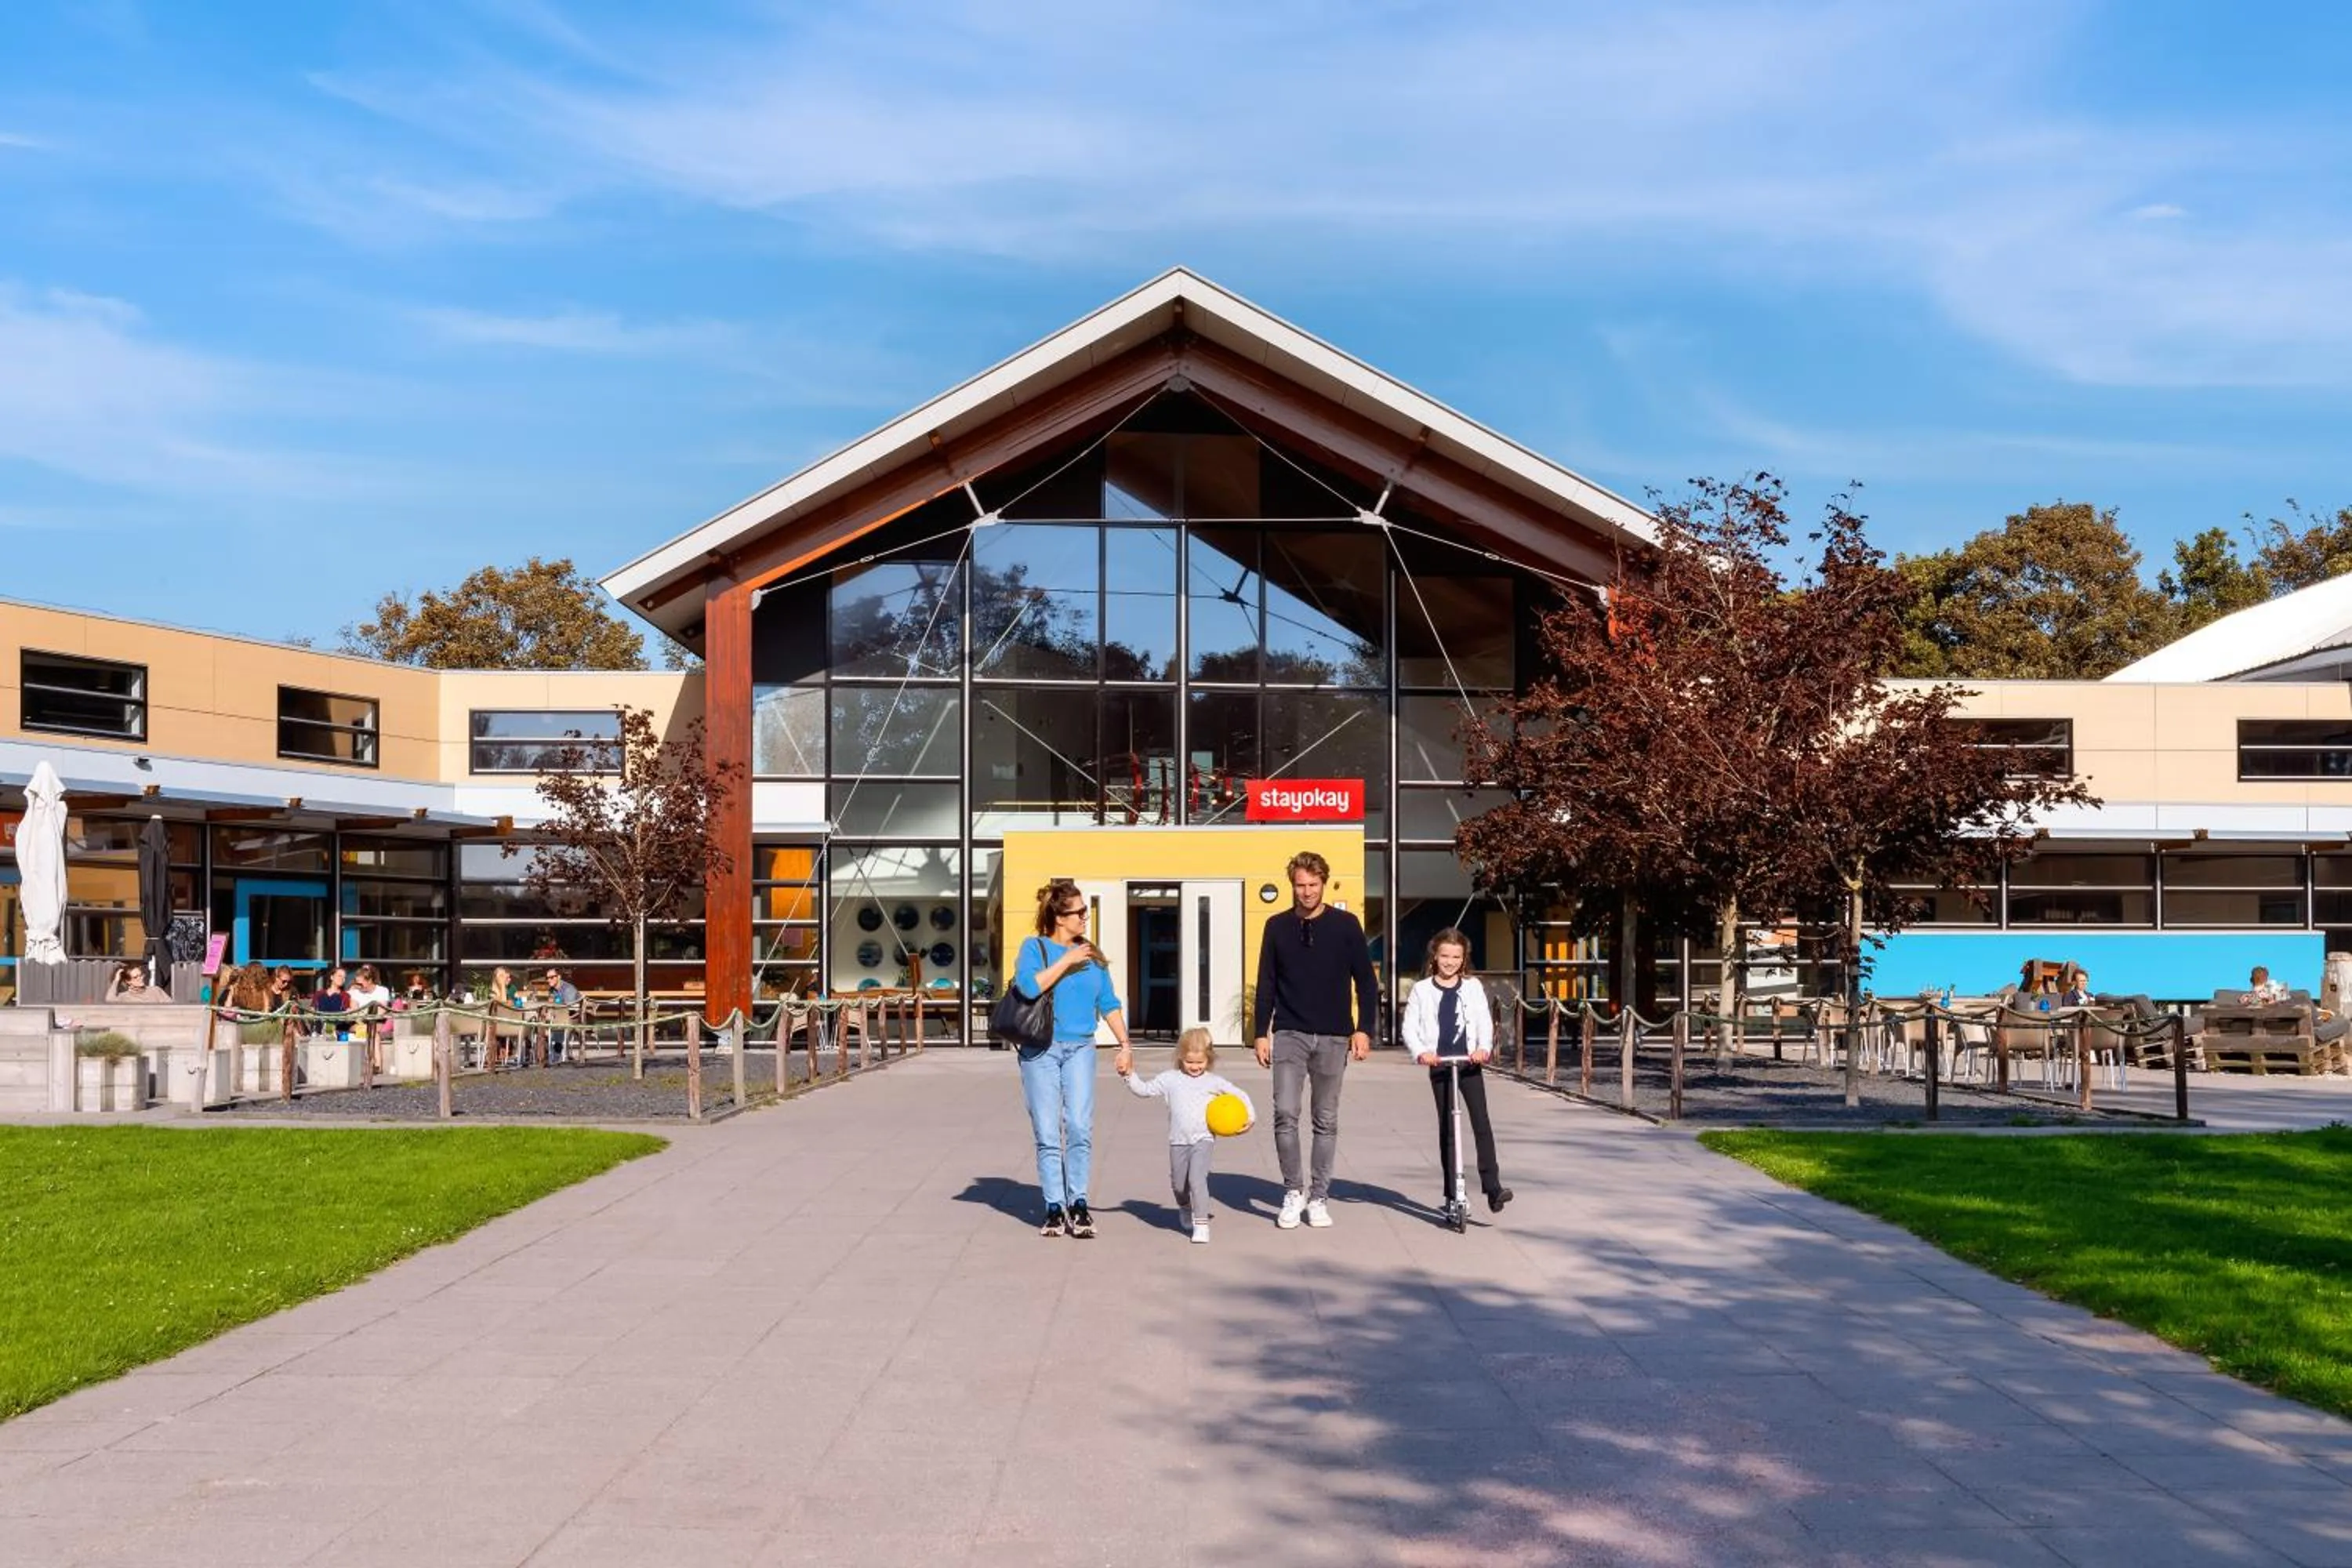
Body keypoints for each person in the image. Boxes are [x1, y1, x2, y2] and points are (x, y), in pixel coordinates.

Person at [1252, 851, 1380, 1231]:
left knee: (1325, 1119)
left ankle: (1319, 1197)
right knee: (1285, 1113)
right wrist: (1260, 1032)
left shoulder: (1346, 926)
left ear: (1324, 883)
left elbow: (1366, 982)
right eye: (1300, 885)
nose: (1306, 892)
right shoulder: (1276, 927)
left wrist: (1364, 1029)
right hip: (1289, 1033)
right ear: (1292, 885)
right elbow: (1266, 983)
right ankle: (1294, 1191)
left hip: (1334, 1036)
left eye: (1313, 884)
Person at [1011, 879, 1133, 1239]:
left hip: (1080, 1047)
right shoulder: (1034, 947)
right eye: (1078, 912)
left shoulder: (1092, 955)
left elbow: (1108, 1002)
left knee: (1079, 1125)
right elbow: (1028, 987)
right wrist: (1066, 960)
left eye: (1085, 911)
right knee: (1048, 1130)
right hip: (1040, 1049)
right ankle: (1054, 1206)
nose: (1084, 917)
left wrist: (1125, 1044)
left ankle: (1078, 1203)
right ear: (1059, 917)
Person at [1402, 929, 1513, 1215]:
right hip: (1440, 1065)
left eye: (1456, 957)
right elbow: (1409, 1027)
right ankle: (1453, 1193)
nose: (1450, 962)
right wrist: (1421, 1052)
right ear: (1435, 957)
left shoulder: (1473, 987)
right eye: (1445, 956)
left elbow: (1484, 1021)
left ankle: (1493, 1188)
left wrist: (1483, 1048)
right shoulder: (1422, 990)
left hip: (1468, 1063)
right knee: (1449, 1128)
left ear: (1464, 960)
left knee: (1481, 1123)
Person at [1116, 1027, 1254, 1245]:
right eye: (1190, 1062)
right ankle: (1185, 1206)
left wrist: (1250, 1117)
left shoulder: (1214, 1082)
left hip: (1203, 1139)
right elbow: (1144, 1090)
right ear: (1181, 1057)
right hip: (1178, 1141)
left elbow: (1240, 1094)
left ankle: (1201, 1225)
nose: (1195, 1067)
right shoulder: (1170, 1079)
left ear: (1208, 1059)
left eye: (1200, 1062)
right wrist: (1129, 1075)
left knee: (1197, 1180)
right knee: (1179, 1186)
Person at [542, 967, 583, 1063]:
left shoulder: (568, 989)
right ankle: (541, 1055)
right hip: (558, 1018)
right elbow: (551, 1005)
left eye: (552, 977)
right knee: (538, 1025)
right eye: (547, 978)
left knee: (555, 1025)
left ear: (559, 977)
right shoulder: (552, 990)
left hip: (574, 1018)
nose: (549, 980)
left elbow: (570, 1009)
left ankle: (556, 1055)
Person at [104, 960, 169, 1004]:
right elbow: (109, 1001)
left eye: (141, 975)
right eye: (136, 977)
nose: (140, 978)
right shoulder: (124, 997)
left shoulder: (156, 991)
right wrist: (116, 981)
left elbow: (170, 1006)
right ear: (128, 981)